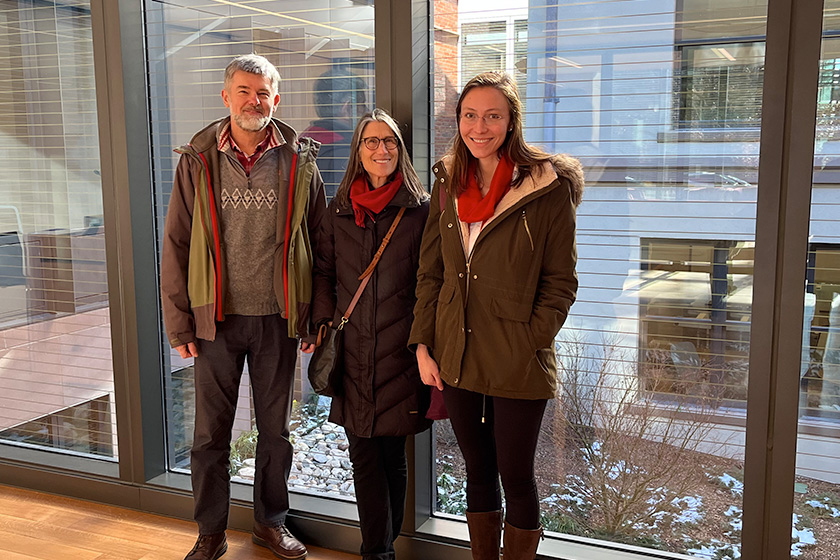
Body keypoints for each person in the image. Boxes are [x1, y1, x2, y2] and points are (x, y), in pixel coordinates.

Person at [409, 71, 584, 559]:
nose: (479, 127)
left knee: (517, 477)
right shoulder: (447, 181)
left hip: (517, 359)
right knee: (477, 473)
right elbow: (432, 272)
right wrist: (424, 343)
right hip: (455, 352)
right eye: (470, 115)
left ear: (511, 123)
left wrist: (528, 339)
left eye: (492, 116)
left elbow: (560, 284)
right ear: (459, 120)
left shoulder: (546, 188)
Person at [160, 54, 326, 560]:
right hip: (216, 321)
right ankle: (210, 531)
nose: (255, 101)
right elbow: (177, 243)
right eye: (245, 90)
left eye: (264, 93)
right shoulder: (197, 159)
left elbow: (320, 243)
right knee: (210, 434)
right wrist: (179, 320)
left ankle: (270, 524)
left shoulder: (301, 160)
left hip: (279, 318)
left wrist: (314, 315)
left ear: (276, 99)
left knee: (276, 431)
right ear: (227, 95)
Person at [305, 108, 431, 559]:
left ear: (401, 150)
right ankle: (377, 552)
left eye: (390, 142)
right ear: (358, 151)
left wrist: (423, 345)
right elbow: (323, 272)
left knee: (392, 457)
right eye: (372, 142)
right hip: (353, 352)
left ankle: (384, 544)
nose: (382, 150)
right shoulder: (338, 211)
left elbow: (429, 283)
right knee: (363, 457)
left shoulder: (420, 211)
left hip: (401, 352)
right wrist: (321, 323)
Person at [300, 68, 368, 198]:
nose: (367, 110)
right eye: (362, 104)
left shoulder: (304, 140)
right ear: (348, 107)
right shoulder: (344, 151)